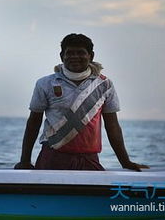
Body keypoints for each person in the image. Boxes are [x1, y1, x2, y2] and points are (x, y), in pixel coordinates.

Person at [14, 33, 148, 171]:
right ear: (62, 56)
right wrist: (24, 160)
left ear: (91, 56)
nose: (75, 57)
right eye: (70, 53)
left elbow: (112, 126)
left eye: (81, 53)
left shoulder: (104, 84)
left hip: (89, 159)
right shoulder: (45, 83)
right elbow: (33, 123)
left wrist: (125, 162)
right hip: (53, 157)